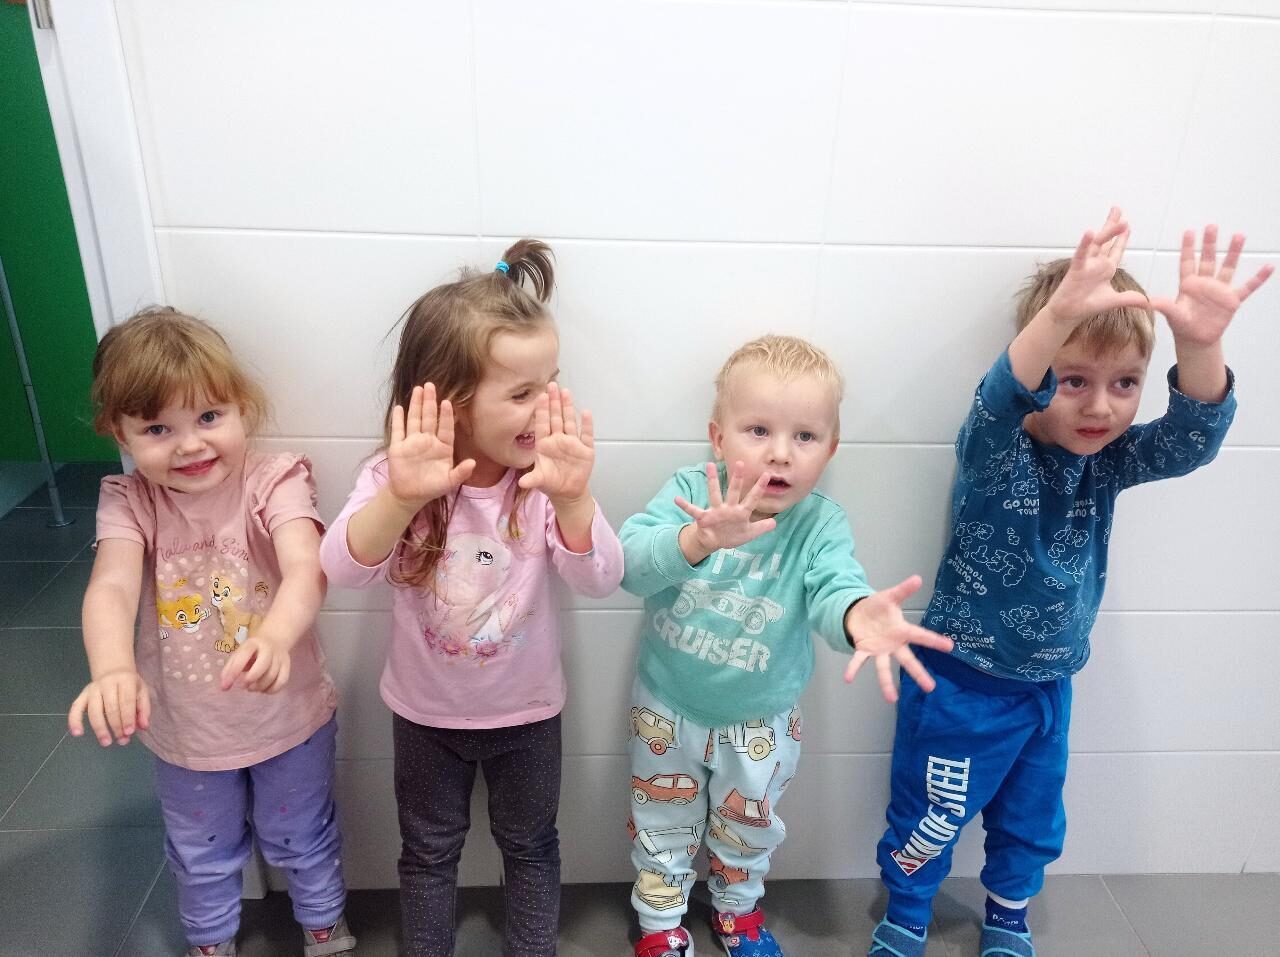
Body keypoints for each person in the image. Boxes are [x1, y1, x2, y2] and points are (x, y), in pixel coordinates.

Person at [866, 210, 1273, 957]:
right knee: (931, 812)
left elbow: (1190, 442)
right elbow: (999, 398)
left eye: (1125, 383)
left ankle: (1008, 915)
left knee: (1032, 820)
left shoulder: (1106, 462)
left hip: (1049, 688)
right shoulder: (998, 451)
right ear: (1042, 374)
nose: (1101, 406)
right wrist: (1056, 316)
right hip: (962, 682)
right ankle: (908, 912)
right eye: (1075, 381)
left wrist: (1199, 344)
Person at [319, 239, 623, 957]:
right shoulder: (395, 479)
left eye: (551, 384)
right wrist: (400, 498)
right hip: (424, 714)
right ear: (450, 401)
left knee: (532, 845)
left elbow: (601, 579)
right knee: (427, 852)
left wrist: (574, 500)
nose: (546, 407)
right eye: (521, 393)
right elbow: (342, 568)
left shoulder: (542, 484)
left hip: (529, 714)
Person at [620, 334, 953, 957]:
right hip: (667, 707)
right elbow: (629, 567)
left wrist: (857, 615)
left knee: (747, 827)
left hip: (761, 719)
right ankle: (660, 921)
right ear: (718, 438)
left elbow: (835, 586)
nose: (780, 452)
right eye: (758, 430)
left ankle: (736, 911)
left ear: (830, 449)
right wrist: (697, 540)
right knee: (662, 820)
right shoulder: (689, 492)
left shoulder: (819, 523)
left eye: (804, 436)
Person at [68, 307, 354, 957]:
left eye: (208, 416)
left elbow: (307, 566)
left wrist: (275, 637)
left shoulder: (273, 479)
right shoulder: (130, 500)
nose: (190, 445)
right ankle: (210, 939)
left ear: (241, 407)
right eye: (157, 428)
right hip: (187, 728)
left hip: (288, 714)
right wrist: (111, 668)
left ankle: (323, 922)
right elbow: (111, 586)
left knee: (302, 832)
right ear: (118, 430)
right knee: (199, 848)